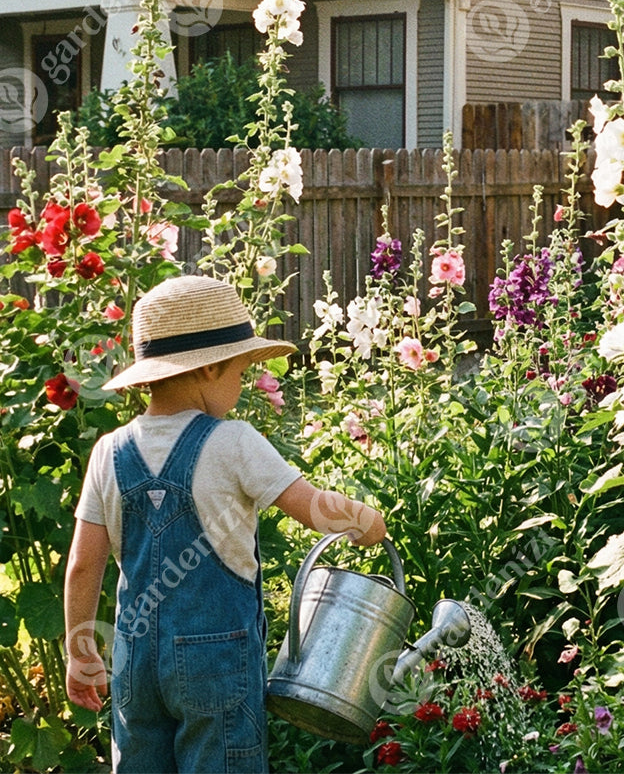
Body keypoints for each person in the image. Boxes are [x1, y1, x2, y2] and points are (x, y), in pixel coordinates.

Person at [63, 274, 386, 774]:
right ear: (211, 368)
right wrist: (365, 521)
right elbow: (312, 507)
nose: (241, 383)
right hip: (214, 662)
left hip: (133, 659)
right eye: (240, 370)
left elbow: (84, 565)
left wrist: (80, 653)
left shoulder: (109, 451)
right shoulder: (234, 441)